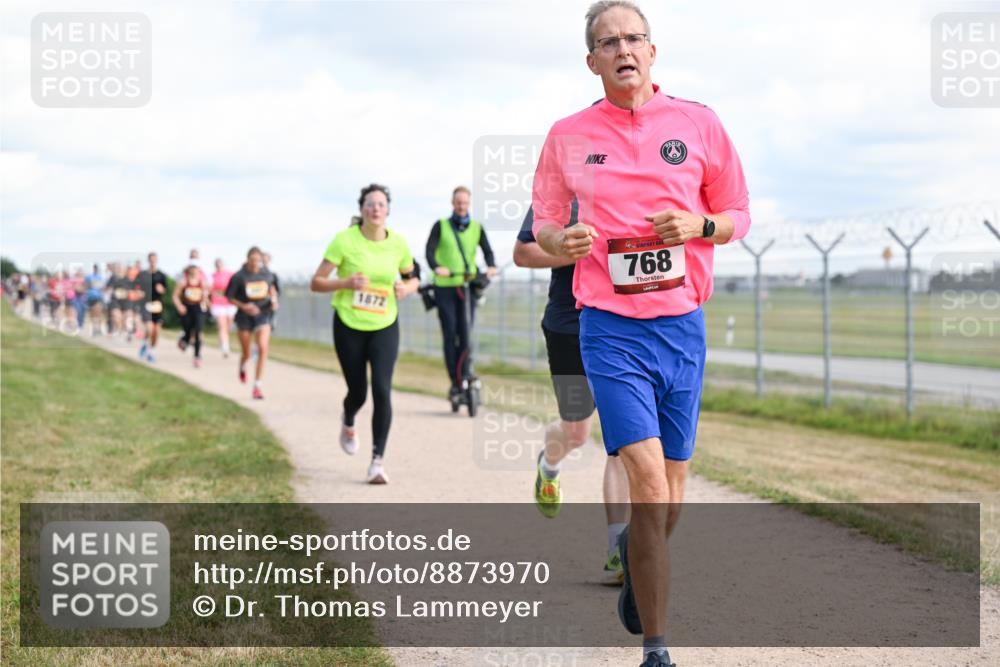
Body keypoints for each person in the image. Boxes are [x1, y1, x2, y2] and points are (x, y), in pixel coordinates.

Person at [531, 3, 751, 665]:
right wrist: (558, 239)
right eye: (608, 41)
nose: (623, 49)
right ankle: (657, 648)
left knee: (675, 484)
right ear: (592, 60)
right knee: (649, 482)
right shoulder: (567, 135)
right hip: (609, 328)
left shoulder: (700, 123)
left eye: (633, 38)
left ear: (652, 51)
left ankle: (638, 565)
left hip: (683, 328)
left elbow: (737, 213)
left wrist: (698, 227)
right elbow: (540, 225)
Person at [514, 203, 630, 585]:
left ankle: (619, 551)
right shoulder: (558, 199)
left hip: (620, 327)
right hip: (568, 326)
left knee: (622, 442)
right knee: (577, 433)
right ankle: (549, 463)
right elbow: (523, 252)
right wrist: (569, 249)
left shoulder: (633, 186)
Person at [310, 184, 419, 484]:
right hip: (348, 324)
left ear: (387, 210)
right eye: (370, 204)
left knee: (382, 390)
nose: (375, 208)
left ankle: (377, 462)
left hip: (385, 324)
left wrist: (406, 288)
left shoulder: (398, 243)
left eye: (381, 204)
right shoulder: (344, 241)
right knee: (358, 391)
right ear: (361, 209)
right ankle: (348, 419)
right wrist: (344, 283)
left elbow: (413, 279)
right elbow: (316, 282)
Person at [425, 186, 498, 405]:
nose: (461, 206)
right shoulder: (441, 226)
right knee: (450, 333)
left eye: (465, 203)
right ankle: (455, 382)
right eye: (458, 202)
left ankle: (466, 374)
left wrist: (491, 266)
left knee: (467, 332)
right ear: (452, 202)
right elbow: (430, 251)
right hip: (445, 287)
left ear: (469, 203)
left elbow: (488, 251)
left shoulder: (477, 227)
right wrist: (437, 267)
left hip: (467, 286)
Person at [226, 246, 278, 399]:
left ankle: (257, 385)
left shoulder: (267, 274)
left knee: (262, 348)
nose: (255, 264)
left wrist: (274, 300)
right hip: (244, 316)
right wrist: (243, 306)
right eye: (252, 260)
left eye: (258, 261)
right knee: (247, 353)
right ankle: (242, 365)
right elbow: (229, 297)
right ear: (247, 259)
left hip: (263, 313)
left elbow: (272, 288)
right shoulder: (239, 277)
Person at [173, 265, 209, 367]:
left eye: (197, 270)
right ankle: (184, 339)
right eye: (193, 270)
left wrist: (208, 304)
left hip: (199, 309)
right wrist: (179, 306)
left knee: (198, 331)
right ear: (189, 271)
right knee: (188, 330)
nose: (195, 272)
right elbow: (175, 296)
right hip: (187, 309)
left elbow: (205, 296)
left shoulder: (203, 283)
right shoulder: (183, 282)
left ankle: (197, 356)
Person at [137, 253, 168, 362]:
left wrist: (162, 290)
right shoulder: (143, 274)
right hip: (146, 304)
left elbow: (165, 290)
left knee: (156, 331)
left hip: (157, 305)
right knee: (149, 328)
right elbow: (137, 287)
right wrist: (139, 293)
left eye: (154, 259)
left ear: (157, 260)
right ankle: (146, 346)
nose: (153, 261)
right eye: (151, 260)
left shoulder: (161, 275)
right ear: (148, 260)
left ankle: (150, 349)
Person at [210, 258, 236, 358]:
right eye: (217, 265)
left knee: (228, 326)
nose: (219, 266)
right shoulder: (212, 276)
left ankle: (223, 340)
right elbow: (210, 289)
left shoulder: (230, 274)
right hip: (217, 303)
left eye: (221, 264)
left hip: (229, 303)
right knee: (222, 325)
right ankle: (225, 347)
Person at [84, 263, 106, 336]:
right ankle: (94, 329)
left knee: (98, 312)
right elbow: (86, 285)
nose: (95, 269)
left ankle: (99, 328)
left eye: (96, 268)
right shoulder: (89, 277)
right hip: (90, 297)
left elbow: (103, 287)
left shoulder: (100, 277)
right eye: (94, 268)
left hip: (98, 297)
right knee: (92, 314)